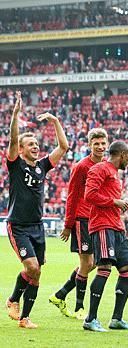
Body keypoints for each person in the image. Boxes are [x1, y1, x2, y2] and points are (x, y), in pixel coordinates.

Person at [5, 91, 69, 329]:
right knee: (31, 267)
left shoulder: (42, 166)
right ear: (21, 150)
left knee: (37, 272)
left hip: (37, 226)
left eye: (36, 144)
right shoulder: (16, 165)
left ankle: (25, 318)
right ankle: (12, 300)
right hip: (18, 225)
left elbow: (63, 146)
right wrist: (15, 114)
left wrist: (55, 122)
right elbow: (12, 141)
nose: (35, 146)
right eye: (30, 144)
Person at [49, 128, 109, 320]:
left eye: (102, 143)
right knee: (87, 263)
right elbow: (73, 195)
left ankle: (60, 295)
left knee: (94, 263)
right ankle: (79, 307)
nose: (100, 147)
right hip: (83, 219)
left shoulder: (108, 165)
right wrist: (68, 224)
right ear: (89, 145)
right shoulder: (82, 166)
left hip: (99, 219)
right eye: (96, 143)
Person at [82, 141, 128, 332]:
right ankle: (90, 319)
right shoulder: (100, 169)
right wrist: (114, 201)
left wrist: (117, 205)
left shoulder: (115, 174)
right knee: (104, 268)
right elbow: (89, 195)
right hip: (103, 225)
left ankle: (117, 319)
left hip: (117, 227)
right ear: (121, 154)